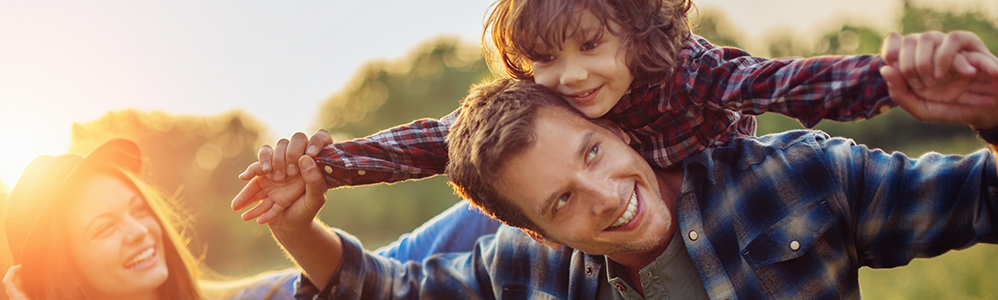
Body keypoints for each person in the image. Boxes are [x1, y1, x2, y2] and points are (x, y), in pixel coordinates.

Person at [233, 0, 998, 225]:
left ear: (633, 29)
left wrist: (891, 80)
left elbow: (789, 83)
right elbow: (439, 141)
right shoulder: (556, 104)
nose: (570, 77)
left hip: (663, 198)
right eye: (545, 62)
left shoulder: (700, 76)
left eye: (590, 45)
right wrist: (326, 163)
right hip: (562, 207)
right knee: (465, 213)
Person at [259, 76, 997, 299]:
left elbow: (981, 198)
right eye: (560, 203)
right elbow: (386, 289)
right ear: (536, 232)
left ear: (619, 132)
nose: (605, 194)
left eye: (592, 153)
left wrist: (987, 112)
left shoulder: (792, 178)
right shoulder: (531, 271)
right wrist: (294, 227)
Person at [2, 140, 298, 300]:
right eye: (105, 227)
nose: (139, 231)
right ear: (66, 270)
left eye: (138, 209)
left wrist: (303, 235)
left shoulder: (276, 295)